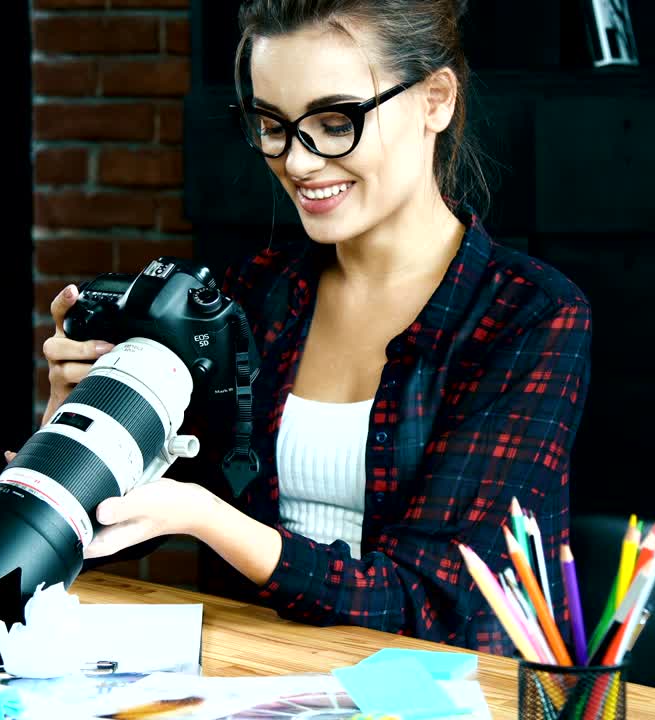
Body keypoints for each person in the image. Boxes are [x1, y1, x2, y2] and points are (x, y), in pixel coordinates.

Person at [31, 0, 591, 655]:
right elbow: (116, 527)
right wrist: (78, 423)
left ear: (435, 100)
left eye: (335, 122)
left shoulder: (528, 316)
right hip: (256, 676)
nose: (297, 162)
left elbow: (429, 605)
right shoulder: (249, 298)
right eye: (272, 125)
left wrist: (210, 519)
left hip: (443, 691)